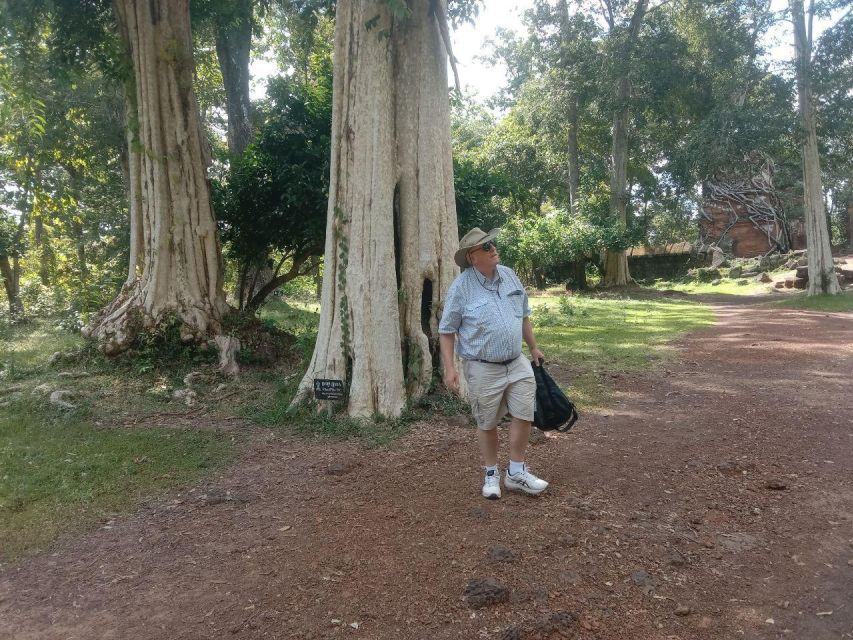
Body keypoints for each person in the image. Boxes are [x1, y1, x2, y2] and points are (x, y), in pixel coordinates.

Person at [439, 227, 549, 499]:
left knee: (524, 414)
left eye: (492, 244)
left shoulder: (510, 275)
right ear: (472, 257)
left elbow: (523, 315)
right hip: (482, 367)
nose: (493, 249)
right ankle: (491, 473)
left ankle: (515, 473)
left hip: (517, 362)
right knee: (487, 422)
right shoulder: (461, 288)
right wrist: (450, 368)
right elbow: (446, 330)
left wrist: (533, 347)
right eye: (486, 247)